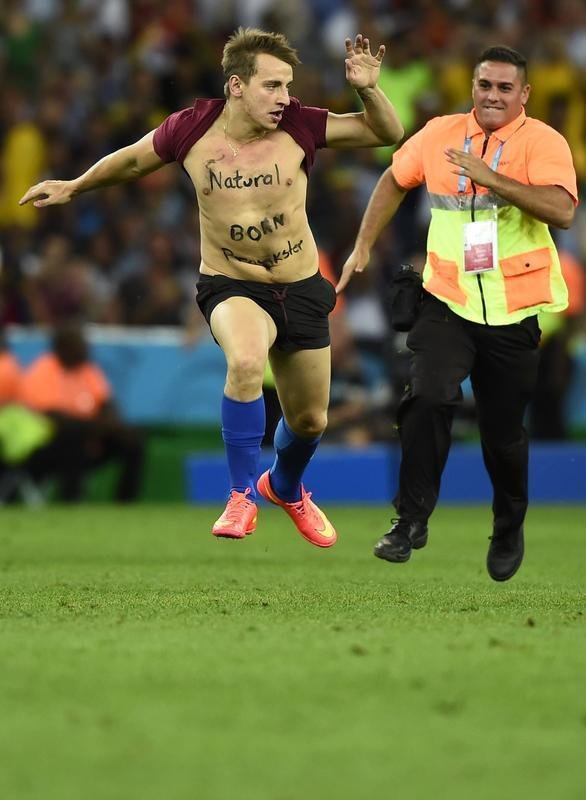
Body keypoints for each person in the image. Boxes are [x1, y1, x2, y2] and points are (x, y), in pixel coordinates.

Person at [19, 28, 404, 545]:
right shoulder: (191, 130)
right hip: (231, 283)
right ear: (237, 86)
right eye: (272, 86)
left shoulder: (300, 125)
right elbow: (133, 159)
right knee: (245, 361)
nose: (285, 98)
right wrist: (74, 185)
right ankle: (241, 495)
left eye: (288, 85)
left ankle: (285, 487)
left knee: (310, 421)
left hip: (302, 284)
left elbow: (385, 132)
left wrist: (368, 89)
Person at [337, 45, 578, 580]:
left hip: (515, 310)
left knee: (503, 434)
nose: (492, 95)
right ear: (472, 86)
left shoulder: (544, 142)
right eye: (484, 85)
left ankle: (509, 523)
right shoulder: (439, 132)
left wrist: (492, 179)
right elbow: (394, 179)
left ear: (524, 94)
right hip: (446, 298)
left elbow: (562, 210)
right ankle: (410, 520)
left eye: (504, 88)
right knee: (426, 396)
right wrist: (364, 245)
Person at [17, 322, 145, 502]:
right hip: (46, 449)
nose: (86, 348)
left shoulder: (87, 370)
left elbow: (107, 405)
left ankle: (126, 502)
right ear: (63, 347)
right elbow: (55, 420)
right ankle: (71, 500)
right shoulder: (43, 370)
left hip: (91, 437)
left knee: (132, 440)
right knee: (72, 436)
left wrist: (110, 427)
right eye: (80, 343)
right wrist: (99, 428)